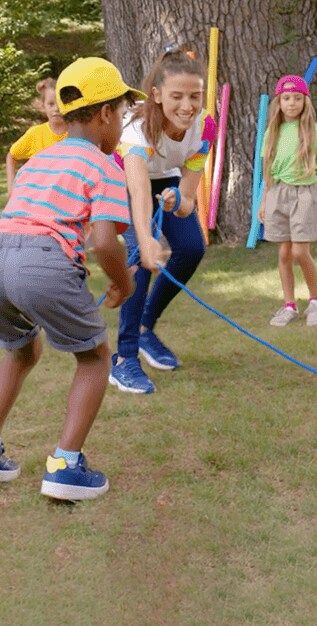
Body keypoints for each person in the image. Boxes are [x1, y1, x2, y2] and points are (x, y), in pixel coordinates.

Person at [0, 57, 140, 501]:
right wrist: (123, 284)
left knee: (21, 350)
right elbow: (105, 242)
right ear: (104, 114)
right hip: (41, 262)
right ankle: (66, 466)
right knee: (95, 357)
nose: (122, 124)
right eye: (122, 113)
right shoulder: (105, 166)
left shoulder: (39, 159)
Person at [108, 46, 213, 395]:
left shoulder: (205, 127)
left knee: (192, 248)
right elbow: (138, 191)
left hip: (164, 177)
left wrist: (177, 200)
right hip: (124, 178)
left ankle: (144, 328)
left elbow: (186, 202)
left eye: (195, 96)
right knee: (140, 256)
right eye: (177, 96)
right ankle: (124, 359)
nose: (187, 106)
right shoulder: (136, 129)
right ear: (156, 95)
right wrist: (147, 239)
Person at [259, 74, 317, 327]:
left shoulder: (314, 131)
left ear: (305, 101)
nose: (291, 103)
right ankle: (289, 305)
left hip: (304, 193)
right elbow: (267, 170)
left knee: (300, 251)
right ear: (279, 102)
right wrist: (264, 201)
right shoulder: (272, 132)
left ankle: (316, 301)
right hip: (277, 194)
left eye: (297, 98)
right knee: (284, 252)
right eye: (286, 98)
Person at [5, 77, 67, 198]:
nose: (56, 109)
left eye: (61, 103)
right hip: (39, 199)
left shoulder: (76, 133)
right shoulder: (35, 134)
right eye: (51, 104)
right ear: (43, 106)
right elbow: (11, 156)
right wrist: (11, 188)